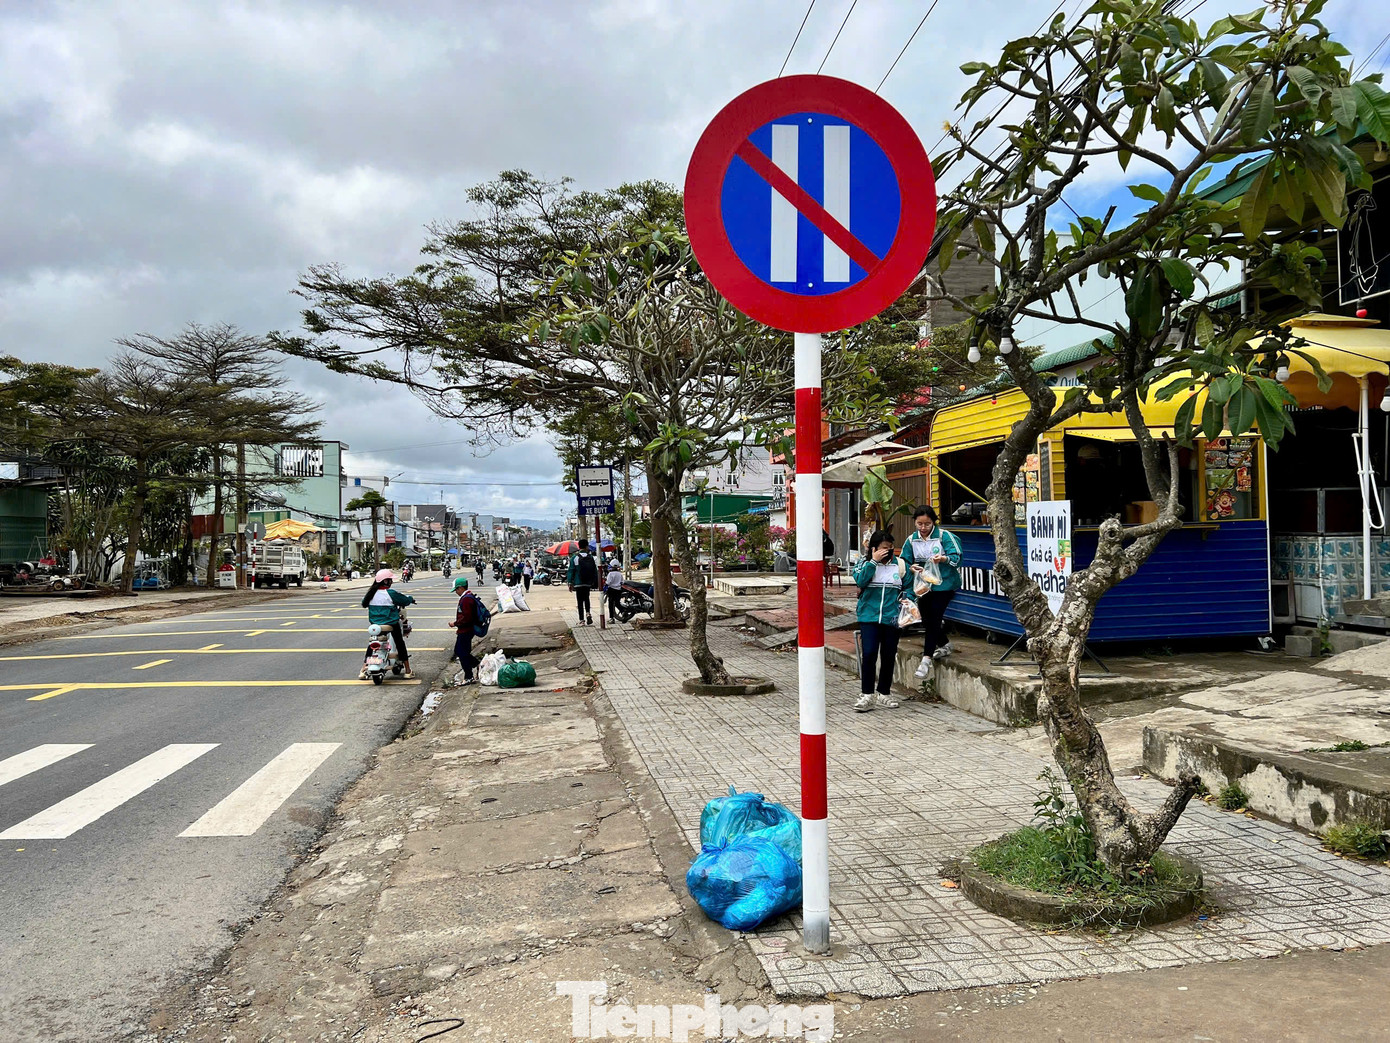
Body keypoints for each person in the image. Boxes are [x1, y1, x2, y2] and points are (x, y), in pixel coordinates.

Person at [851, 529, 911, 712]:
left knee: (888, 654)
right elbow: (860, 581)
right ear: (874, 548)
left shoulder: (900, 565)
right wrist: (874, 562)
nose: (888, 551)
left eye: (890, 548)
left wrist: (908, 599)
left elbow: (909, 586)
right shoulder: (864, 563)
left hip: (891, 618)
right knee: (869, 654)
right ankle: (867, 694)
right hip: (869, 616)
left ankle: (884, 692)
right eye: (884, 548)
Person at [903, 505, 964, 680]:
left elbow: (957, 556)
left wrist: (944, 558)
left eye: (927, 524)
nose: (923, 528)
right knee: (927, 618)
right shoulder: (911, 540)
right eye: (920, 524)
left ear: (934, 522)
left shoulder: (945, 536)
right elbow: (905, 561)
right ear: (915, 522)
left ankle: (926, 659)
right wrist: (911, 567)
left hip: (944, 584)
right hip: (923, 586)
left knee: (935, 617)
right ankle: (945, 644)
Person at [359, 569, 416, 679]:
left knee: (373, 644)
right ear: (386, 581)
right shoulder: (390, 593)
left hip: (375, 624)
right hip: (391, 623)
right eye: (390, 580)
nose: (391, 582)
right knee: (400, 643)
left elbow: (364, 603)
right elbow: (404, 601)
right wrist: (411, 599)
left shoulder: (371, 593)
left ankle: (363, 669)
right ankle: (408, 670)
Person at [447, 575, 482, 685]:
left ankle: (469, 676)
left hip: (466, 630)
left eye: (456, 589)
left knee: (462, 653)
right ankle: (477, 664)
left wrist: (455, 623)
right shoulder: (467, 597)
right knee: (460, 651)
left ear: (461, 588)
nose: (456, 592)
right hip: (465, 629)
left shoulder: (466, 599)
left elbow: (467, 618)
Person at [568, 538, 600, 625]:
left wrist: (570, 582)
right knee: (587, 598)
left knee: (579, 601)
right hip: (587, 582)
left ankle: (581, 620)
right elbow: (594, 570)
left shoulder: (575, 558)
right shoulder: (590, 557)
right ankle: (588, 613)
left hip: (578, 582)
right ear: (586, 546)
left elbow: (571, 570)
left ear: (579, 546)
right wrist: (595, 582)